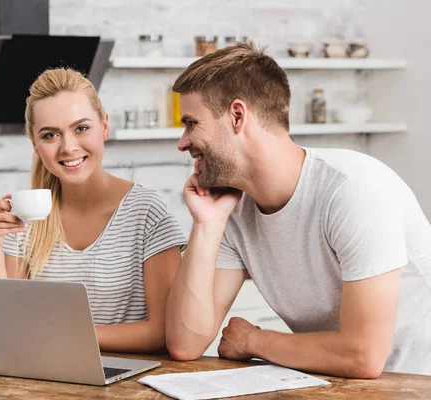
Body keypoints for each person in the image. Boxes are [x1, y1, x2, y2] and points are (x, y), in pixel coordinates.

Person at [165, 42, 431, 377]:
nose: (183, 141)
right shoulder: (232, 207)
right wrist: (205, 224)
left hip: (416, 384)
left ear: (237, 115)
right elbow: (185, 344)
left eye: (191, 123)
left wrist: (253, 340)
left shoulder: (354, 189)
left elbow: (362, 356)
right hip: (337, 386)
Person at [0, 68, 186, 353]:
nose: (68, 147)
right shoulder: (27, 217)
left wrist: (68, 333)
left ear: (104, 126)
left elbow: (163, 331)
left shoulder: (147, 212)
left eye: (81, 128)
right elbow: (2, 325)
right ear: (35, 145)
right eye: (50, 135)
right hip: (47, 376)